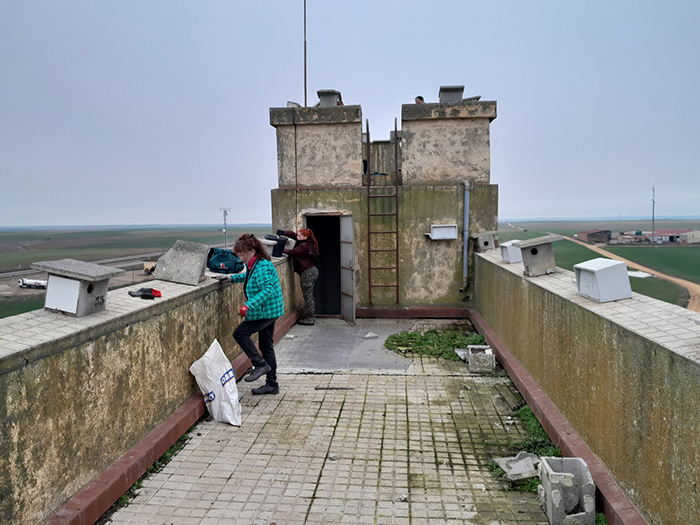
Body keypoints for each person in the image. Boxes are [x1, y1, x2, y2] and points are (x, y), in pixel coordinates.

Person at [216, 234, 284, 395]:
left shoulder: (262, 266)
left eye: (243, 254)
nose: (241, 258)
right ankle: (272, 384)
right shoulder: (255, 263)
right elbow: (248, 278)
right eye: (239, 255)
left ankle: (260, 364)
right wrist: (231, 278)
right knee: (266, 346)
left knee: (240, 333)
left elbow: (268, 289)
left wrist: (248, 305)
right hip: (270, 311)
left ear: (253, 251)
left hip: (266, 312)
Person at [277, 228, 320, 325]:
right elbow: (293, 235)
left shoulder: (304, 246)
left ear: (305, 237)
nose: (297, 236)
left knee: (308, 296)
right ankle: (310, 315)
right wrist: (283, 232)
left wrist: (279, 249)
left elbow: (293, 252)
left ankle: (310, 318)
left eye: (300, 235)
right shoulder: (307, 241)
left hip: (307, 273)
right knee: (309, 295)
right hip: (311, 271)